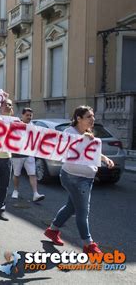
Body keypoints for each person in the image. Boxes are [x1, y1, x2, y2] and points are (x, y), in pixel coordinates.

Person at [44, 106, 114, 254]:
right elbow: (65, 148)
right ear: (78, 118)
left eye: (93, 116)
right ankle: (88, 244)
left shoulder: (88, 133)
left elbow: (93, 152)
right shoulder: (69, 132)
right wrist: (83, 138)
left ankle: (53, 230)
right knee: (83, 211)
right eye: (89, 116)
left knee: (71, 207)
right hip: (73, 177)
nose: (93, 119)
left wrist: (105, 158)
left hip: (87, 178)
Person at [11, 108, 45, 202]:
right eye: (27, 115)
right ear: (22, 115)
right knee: (16, 174)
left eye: (31, 115)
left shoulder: (33, 126)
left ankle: (35, 193)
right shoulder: (16, 124)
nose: (29, 117)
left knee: (32, 174)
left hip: (29, 154)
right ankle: (15, 190)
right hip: (17, 155)